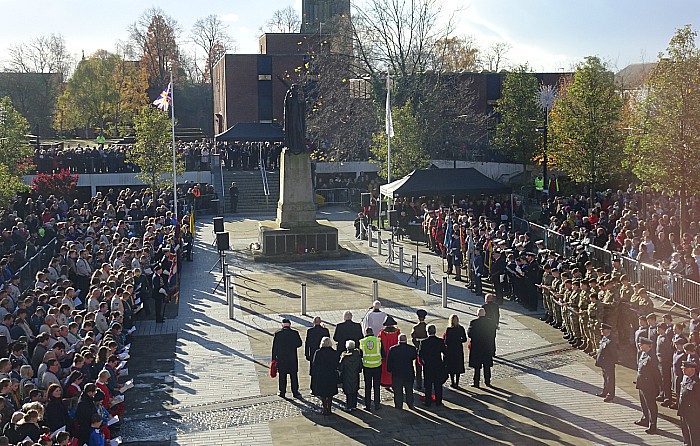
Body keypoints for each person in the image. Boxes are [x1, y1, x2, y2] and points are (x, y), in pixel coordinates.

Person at [271, 318, 303, 399]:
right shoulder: (295, 333)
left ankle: (282, 392)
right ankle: (295, 392)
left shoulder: (278, 334)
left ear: (282, 325)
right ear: (290, 325)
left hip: (282, 359)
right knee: (293, 376)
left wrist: (274, 359)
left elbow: (274, 348)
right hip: (292, 358)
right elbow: (299, 344)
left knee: (282, 376)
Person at [636, 337, 661, 434]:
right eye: (640, 344)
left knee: (651, 405)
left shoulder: (652, 357)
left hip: (649, 385)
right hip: (642, 383)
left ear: (648, 346)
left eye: (642, 344)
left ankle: (653, 424)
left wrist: (657, 387)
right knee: (643, 403)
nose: (640, 345)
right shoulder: (643, 354)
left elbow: (656, 374)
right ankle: (645, 418)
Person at [386, 333, 417, 409]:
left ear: (398, 340)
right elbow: (414, 357)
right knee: (409, 390)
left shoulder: (393, 349)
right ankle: (410, 404)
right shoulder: (411, 349)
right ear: (406, 340)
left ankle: (398, 405)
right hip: (408, 372)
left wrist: (389, 370)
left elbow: (389, 361)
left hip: (397, 374)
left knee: (398, 391)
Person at [468, 308, 496, 388]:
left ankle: (476, 382)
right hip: (487, 347)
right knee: (487, 366)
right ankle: (487, 381)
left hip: (477, 347)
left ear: (477, 314)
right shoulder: (490, 322)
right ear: (485, 313)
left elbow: (470, 334)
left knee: (477, 367)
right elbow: (493, 335)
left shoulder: (474, 322)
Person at [419, 324, 447, 407]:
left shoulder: (424, 342)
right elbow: (446, 353)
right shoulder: (440, 341)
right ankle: (438, 401)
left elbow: (420, 355)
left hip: (428, 366)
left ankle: (428, 402)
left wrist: (424, 363)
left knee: (428, 386)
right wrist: (443, 363)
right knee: (438, 385)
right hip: (438, 365)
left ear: (427, 332)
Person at [310, 337, 338, 416]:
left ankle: (325, 409)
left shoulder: (318, 352)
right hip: (331, 374)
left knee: (323, 394)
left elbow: (314, 364)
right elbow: (336, 363)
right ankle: (329, 408)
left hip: (321, 375)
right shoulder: (334, 352)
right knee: (330, 393)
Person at [677, 360, 700, 446]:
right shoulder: (686, 378)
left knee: (693, 432)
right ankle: (687, 443)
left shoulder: (696, 382)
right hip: (684, 409)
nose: (683, 370)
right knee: (685, 429)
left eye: (685, 368)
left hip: (693, 411)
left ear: (692, 369)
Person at [359, 327, 382, 411]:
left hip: (367, 366)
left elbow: (360, 355)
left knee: (367, 387)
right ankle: (377, 405)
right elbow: (383, 353)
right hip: (377, 366)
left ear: (366, 333)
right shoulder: (378, 340)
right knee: (377, 386)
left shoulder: (362, 342)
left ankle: (367, 405)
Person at [595, 323, 618, 403]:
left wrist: (612, 361)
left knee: (610, 379)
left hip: (609, 362)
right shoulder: (604, 338)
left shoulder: (610, 341)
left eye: (602, 330)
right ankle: (605, 391)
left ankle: (610, 395)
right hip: (604, 362)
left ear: (607, 331)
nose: (601, 331)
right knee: (605, 378)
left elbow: (614, 353)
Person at [444, 314, 467, 388]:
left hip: (451, 350)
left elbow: (446, 341)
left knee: (451, 366)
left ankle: (452, 381)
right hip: (458, 349)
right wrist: (459, 340)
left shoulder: (449, 329)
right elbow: (464, 339)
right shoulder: (461, 328)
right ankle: (457, 382)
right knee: (458, 366)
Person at [339, 340, 362, 412]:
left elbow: (341, 368)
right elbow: (360, 367)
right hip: (355, 375)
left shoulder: (344, 357)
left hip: (346, 376)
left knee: (348, 391)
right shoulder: (358, 355)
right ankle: (354, 405)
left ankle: (349, 406)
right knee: (354, 390)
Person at [305, 316, 329, 383]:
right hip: (324, 352)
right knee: (323, 369)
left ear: (313, 322)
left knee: (313, 370)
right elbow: (328, 340)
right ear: (320, 322)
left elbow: (307, 343)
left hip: (313, 353)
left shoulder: (310, 331)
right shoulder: (325, 330)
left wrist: (307, 354)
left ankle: (313, 387)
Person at [378, 315, 400, 388]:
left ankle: (385, 382)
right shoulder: (397, 332)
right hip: (395, 354)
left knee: (385, 369)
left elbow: (379, 343)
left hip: (385, 354)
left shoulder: (382, 332)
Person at [411, 309, 428, 391]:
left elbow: (413, 338)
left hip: (418, 349)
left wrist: (417, 346)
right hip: (426, 349)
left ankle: (419, 384)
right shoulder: (427, 326)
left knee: (418, 368)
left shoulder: (415, 327)